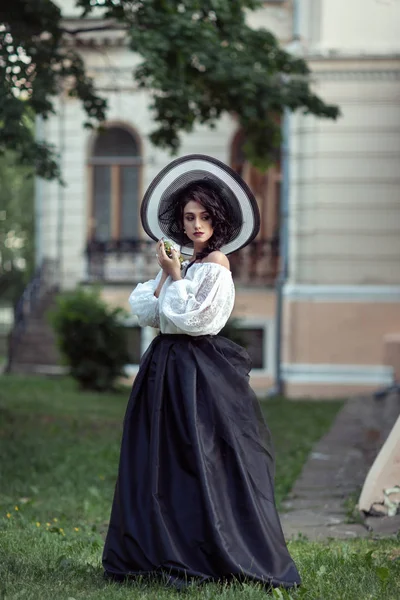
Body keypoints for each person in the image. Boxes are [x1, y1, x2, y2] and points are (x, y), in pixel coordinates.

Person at [102, 154, 301, 590]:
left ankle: (202, 551)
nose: (196, 225)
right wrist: (167, 274)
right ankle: (157, 550)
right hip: (163, 369)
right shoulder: (186, 265)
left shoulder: (216, 267)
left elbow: (199, 320)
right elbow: (152, 313)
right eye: (189, 216)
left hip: (196, 374)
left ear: (218, 221)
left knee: (197, 461)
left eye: (205, 217)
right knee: (158, 460)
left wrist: (175, 277)